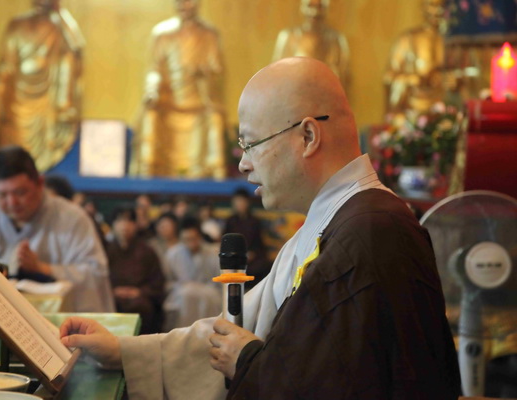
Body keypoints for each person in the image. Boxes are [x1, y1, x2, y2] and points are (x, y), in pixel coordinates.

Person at [60, 58, 460, 399]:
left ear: (307, 135)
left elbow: (335, 386)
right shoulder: (334, 223)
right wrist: (125, 352)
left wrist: (249, 361)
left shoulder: (372, 234)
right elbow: (237, 329)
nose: (243, 164)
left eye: (250, 144)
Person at [0, 146, 113, 313]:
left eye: (20, 192)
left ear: (40, 183)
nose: (12, 202)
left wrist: (42, 268)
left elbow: (95, 273)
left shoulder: (72, 218)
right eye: (3, 195)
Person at [0, 0, 84, 173]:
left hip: (46, 104)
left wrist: (60, 14)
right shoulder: (17, 25)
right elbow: (6, 67)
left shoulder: (60, 27)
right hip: (16, 100)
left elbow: (75, 50)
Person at [130, 0, 228, 179]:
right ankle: (148, 172)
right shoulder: (162, 34)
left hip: (198, 102)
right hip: (169, 102)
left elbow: (216, 70)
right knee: (150, 113)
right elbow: (154, 70)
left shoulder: (209, 35)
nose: (184, 5)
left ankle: (215, 173)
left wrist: (200, 71)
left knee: (215, 118)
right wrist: (152, 90)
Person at [107, 207, 165, 334]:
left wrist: (138, 291)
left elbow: (157, 281)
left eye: (129, 221)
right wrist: (113, 291)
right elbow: (98, 279)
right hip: (111, 297)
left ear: (135, 225)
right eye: (120, 221)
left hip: (140, 298)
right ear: (113, 225)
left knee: (142, 307)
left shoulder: (147, 251)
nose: (125, 225)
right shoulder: (105, 250)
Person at [272, 0, 350, 91]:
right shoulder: (289, 37)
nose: (314, 12)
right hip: (294, 97)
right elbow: (277, 74)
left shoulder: (336, 40)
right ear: (301, 7)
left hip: (327, 97)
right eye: (310, 6)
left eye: (320, 7)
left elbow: (344, 77)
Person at [162, 216, 221, 331]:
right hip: (181, 293)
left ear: (199, 236)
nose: (191, 243)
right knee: (186, 295)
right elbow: (167, 282)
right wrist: (183, 287)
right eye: (186, 239)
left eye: (193, 239)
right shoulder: (172, 254)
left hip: (208, 292)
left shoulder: (214, 252)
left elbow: (219, 281)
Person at [224, 188, 270, 290]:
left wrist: (251, 254)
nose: (240, 204)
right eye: (237, 201)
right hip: (235, 256)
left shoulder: (255, 221)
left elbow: (259, 243)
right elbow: (225, 241)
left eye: (242, 201)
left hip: (252, 257)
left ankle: (257, 291)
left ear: (247, 203)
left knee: (264, 266)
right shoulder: (230, 221)